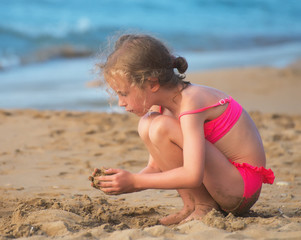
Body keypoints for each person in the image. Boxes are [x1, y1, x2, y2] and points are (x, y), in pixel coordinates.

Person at [92, 34, 275, 225]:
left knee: (160, 127)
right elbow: (155, 168)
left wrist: (135, 182)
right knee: (148, 123)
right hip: (220, 180)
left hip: (239, 188)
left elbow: (192, 175)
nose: (121, 103)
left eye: (124, 94)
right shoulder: (158, 108)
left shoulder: (190, 102)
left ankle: (205, 206)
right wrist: (124, 182)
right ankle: (191, 205)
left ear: (152, 84)